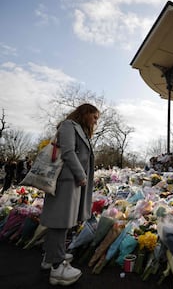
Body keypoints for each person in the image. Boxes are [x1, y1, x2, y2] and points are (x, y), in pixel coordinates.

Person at [39, 103, 99, 286]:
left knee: (61, 221)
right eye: (94, 117)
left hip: (70, 180)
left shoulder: (77, 128)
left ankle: (50, 258)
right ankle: (57, 268)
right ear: (85, 113)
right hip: (66, 180)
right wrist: (81, 175)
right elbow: (68, 152)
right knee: (60, 221)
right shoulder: (68, 126)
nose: (96, 121)